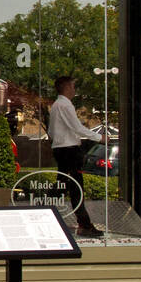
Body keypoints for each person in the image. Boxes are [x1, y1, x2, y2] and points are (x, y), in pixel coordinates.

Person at [49, 75, 104, 238]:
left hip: (62, 149)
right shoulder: (65, 106)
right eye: (73, 86)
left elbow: (52, 131)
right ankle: (84, 225)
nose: (74, 90)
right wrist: (100, 138)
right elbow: (77, 127)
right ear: (66, 87)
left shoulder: (57, 105)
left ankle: (82, 223)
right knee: (74, 187)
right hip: (68, 150)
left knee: (65, 186)